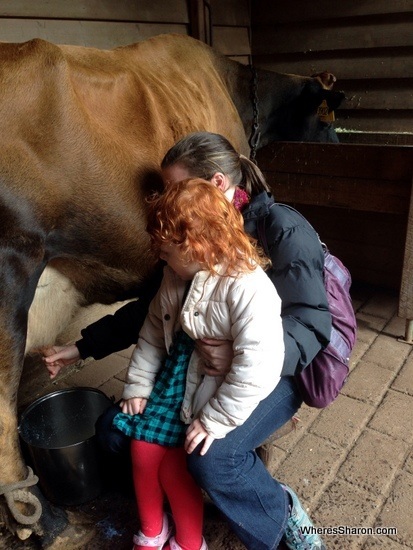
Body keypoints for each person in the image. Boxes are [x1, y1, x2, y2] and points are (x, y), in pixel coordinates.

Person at [43, 131, 331, 550]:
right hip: (204, 362)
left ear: (213, 185)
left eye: (174, 188)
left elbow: (311, 324)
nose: (166, 198)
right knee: (114, 430)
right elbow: (152, 315)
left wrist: (233, 359)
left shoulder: (281, 230)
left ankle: (279, 511)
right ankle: (160, 513)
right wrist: (82, 347)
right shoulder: (180, 246)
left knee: (212, 458)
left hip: (279, 368)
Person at [110, 178, 283, 550]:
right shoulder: (174, 276)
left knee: (175, 468)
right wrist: (138, 384)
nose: (160, 257)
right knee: (141, 450)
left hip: (212, 391)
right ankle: (152, 531)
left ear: (196, 246)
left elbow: (259, 366)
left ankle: (190, 543)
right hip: (177, 378)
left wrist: (215, 419)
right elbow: (153, 332)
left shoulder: (247, 287)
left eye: (166, 251)